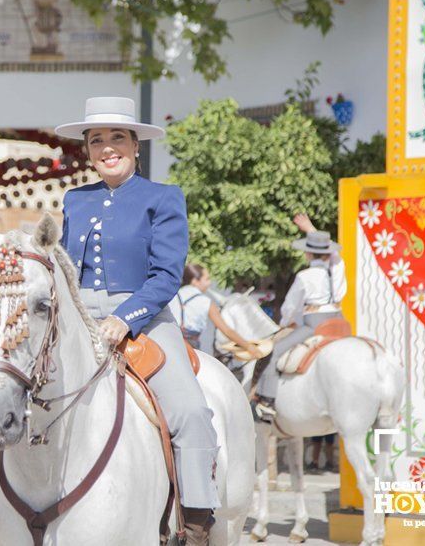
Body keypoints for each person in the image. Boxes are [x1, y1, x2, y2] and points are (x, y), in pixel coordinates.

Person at [56, 96, 218, 546]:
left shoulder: (163, 197)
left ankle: (198, 519)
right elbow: (66, 266)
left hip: (144, 314)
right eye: (96, 140)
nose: (107, 148)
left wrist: (125, 319)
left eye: (117, 138)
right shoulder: (74, 199)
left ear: (135, 145)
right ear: (86, 149)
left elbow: (166, 275)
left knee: (189, 409)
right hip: (79, 313)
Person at [252, 214, 346, 422]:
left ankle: (266, 402)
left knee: (274, 351)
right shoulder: (337, 267)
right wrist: (311, 229)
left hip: (314, 323)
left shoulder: (305, 277)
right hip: (339, 321)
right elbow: (334, 255)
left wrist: (285, 324)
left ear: (307, 254)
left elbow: (290, 307)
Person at [172, 263, 265, 358]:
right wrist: (249, 347)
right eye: (207, 279)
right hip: (190, 348)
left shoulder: (172, 295)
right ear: (195, 281)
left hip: (169, 342)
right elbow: (227, 331)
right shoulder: (205, 301)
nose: (210, 283)